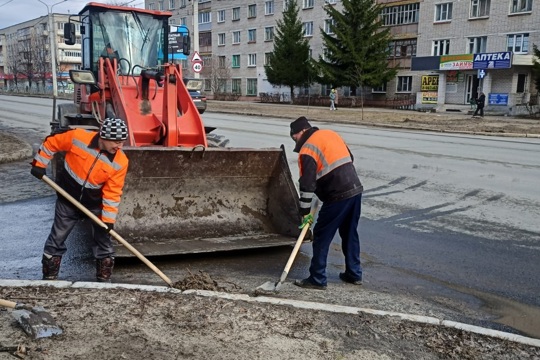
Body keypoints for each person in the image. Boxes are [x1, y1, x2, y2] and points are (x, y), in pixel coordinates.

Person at [30, 118, 129, 282]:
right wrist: (39, 164)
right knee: (57, 238)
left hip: (94, 205)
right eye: (116, 141)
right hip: (67, 199)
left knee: (104, 241)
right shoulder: (77, 138)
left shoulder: (120, 162)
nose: (120, 146)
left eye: (122, 142)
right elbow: (51, 143)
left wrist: (108, 220)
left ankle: (104, 280)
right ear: (103, 137)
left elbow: (113, 192)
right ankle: (50, 277)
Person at [289, 116, 364, 290]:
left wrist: (304, 212)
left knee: (322, 236)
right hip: (355, 188)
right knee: (349, 233)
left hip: (337, 195)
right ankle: (354, 274)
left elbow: (307, 184)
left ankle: (317, 278)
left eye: (294, 137)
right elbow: (349, 157)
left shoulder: (307, 149)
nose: (295, 141)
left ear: (301, 132)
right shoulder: (330, 134)